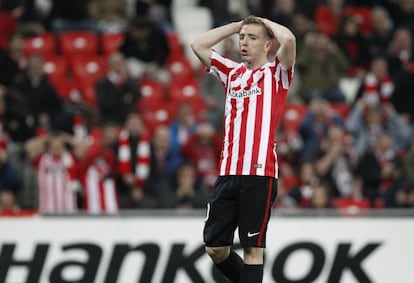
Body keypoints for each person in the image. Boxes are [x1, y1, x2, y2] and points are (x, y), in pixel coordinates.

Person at [191, 15, 296, 283]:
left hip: (260, 173)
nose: (244, 43)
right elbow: (198, 45)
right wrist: (236, 27)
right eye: (242, 38)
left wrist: (264, 22)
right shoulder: (231, 72)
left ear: (267, 46)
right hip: (228, 172)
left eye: (252, 38)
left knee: (252, 250)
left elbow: (290, 40)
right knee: (214, 247)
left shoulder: (276, 74)